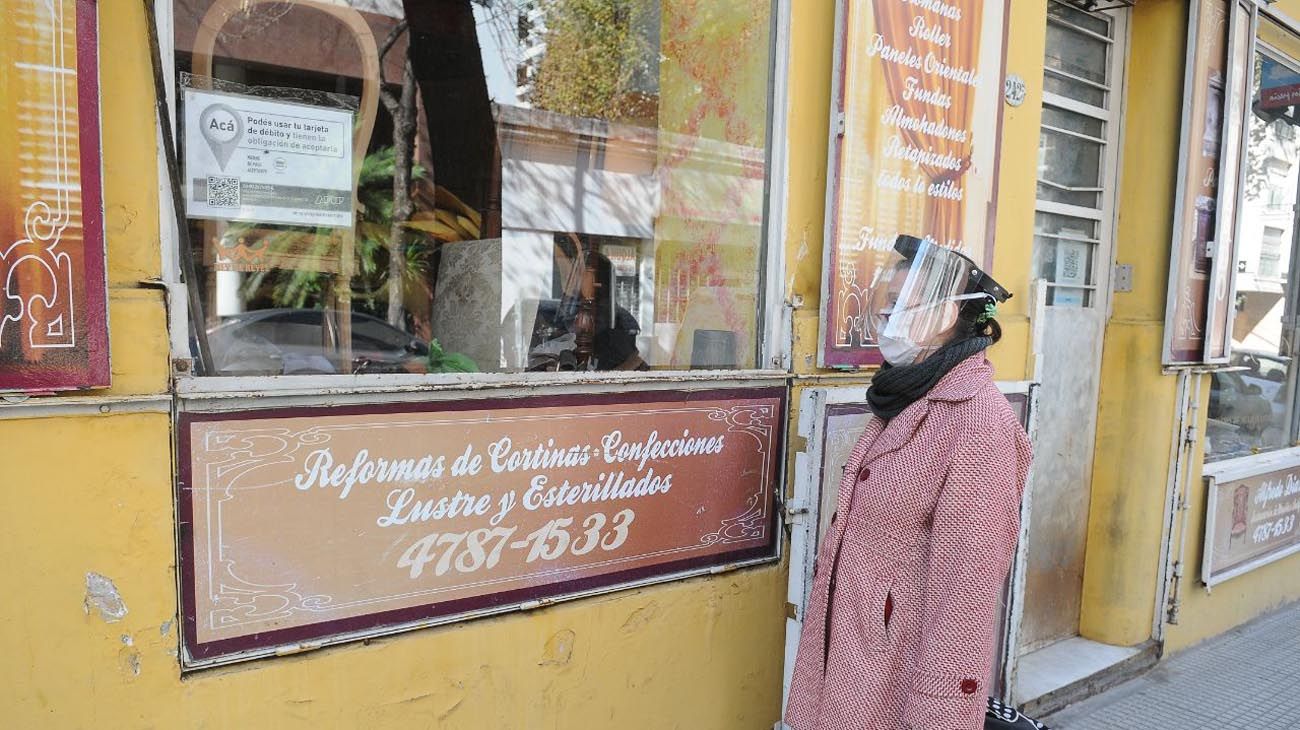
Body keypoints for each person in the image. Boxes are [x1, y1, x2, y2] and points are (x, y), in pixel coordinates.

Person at [785, 235, 1033, 730]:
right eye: (884, 305)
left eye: (899, 306)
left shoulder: (977, 424)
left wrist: (939, 716)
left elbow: (964, 599)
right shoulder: (904, 394)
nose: (885, 319)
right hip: (855, 667)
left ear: (945, 317)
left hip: (900, 694)